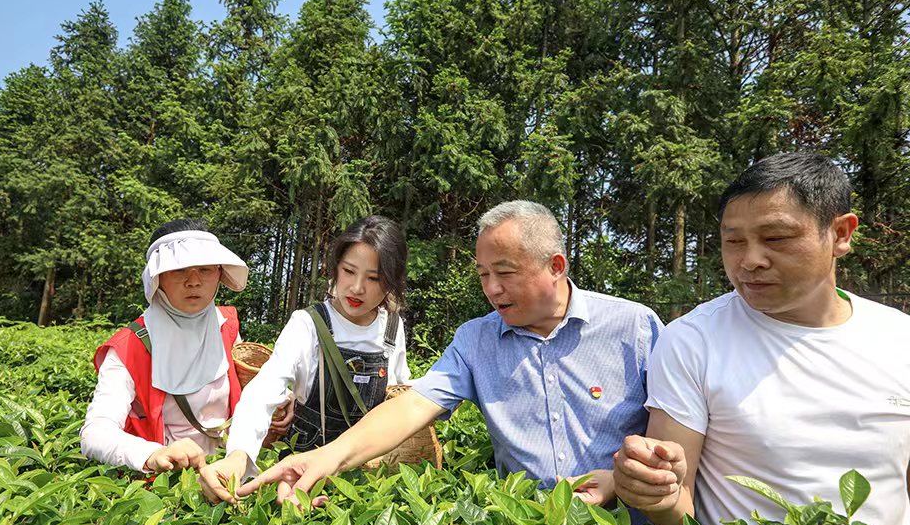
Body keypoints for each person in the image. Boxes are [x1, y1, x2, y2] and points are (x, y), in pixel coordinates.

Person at [233, 201, 664, 508]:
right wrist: (323, 458)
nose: (491, 288)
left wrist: (621, 482)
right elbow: (409, 406)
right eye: (482, 274)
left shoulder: (636, 328)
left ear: (556, 266)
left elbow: (674, 443)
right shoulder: (476, 341)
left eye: (505, 273)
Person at [613, 152, 910, 525]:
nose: (750, 260)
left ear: (840, 234)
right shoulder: (693, 339)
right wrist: (656, 494)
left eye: (776, 238)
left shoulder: (898, 337)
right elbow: (678, 499)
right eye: (733, 241)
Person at [198, 215, 412, 504]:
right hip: (301, 469)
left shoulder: (392, 328)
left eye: (373, 278)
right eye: (349, 271)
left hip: (365, 476)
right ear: (335, 268)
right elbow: (265, 389)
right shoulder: (309, 323)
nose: (357, 287)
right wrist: (239, 455)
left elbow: (399, 396)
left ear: (391, 281)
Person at [80, 218, 289, 473]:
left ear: (219, 273)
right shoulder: (129, 348)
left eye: (205, 269)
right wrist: (153, 454)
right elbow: (95, 433)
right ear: (158, 278)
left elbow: (247, 395)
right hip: (170, 487)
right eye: (179, 270)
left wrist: (277, 403)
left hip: (229, 472)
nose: (194, 281)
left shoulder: (226, 328)